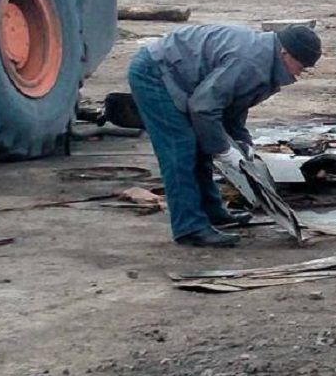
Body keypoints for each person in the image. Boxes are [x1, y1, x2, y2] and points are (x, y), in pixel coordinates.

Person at [128, 23, 322, 248]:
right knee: (179, 149)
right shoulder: (250, 62)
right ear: (285, 52)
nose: (300, 73)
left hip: (182, 78)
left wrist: (242, 142)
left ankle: (212, 212)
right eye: (301, 66)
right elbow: (204, 107)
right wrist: (223, 149)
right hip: (155, 74)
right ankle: (189, 228)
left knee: (201, 146)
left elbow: (232, 104)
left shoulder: (266, 61)